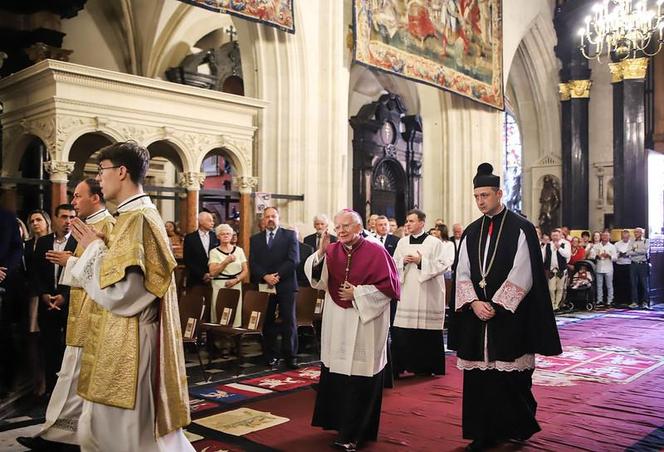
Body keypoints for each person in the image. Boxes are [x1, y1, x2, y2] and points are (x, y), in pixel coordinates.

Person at [67, 141, 192, 451]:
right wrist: (100, 248)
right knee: (105, 428)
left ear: (121, 172)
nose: (100, 179)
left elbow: (126, 295)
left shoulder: (139, 218)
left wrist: (92, 252)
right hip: (120, 337)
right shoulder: (128, 217)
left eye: (102, 171)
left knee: (131, 434)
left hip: (133, 341)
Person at [448, 163, 561, 451]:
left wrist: (496, 304)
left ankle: (515, 426)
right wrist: (473, 302)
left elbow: (523, 272)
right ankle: (481, 433)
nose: (480, 201)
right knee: (479, 380)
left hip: (509, 316)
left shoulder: (521, 227)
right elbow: (462, 271)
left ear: (499, 193)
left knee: (510, 378)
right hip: (477, 316)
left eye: (485, 195)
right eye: (476, 196)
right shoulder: (472, 231)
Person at [19, 179, 116, 450]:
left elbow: (110, 272)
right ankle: (58, 434)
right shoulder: (87, 226)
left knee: (77, 379)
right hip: (80, 311)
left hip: (95, 315)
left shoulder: (108, 225)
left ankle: (69, 436)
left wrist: (70, 262)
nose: (73, 202)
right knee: (69, 378)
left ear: (94, 198)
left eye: (78, 196)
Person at [305, 209, 400, 451]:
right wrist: (320, 252)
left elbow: (390, 289)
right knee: (338, 374)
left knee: (360, 377)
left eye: (346, 226)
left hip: (364, 322)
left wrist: (357, 293)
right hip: (338, 321)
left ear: (358, 228)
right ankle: (340, 426)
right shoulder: (333, 250)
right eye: (338, 227)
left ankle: (355, 433)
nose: (341, 231)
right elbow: (317, 280)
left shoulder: (376, 250)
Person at [392, 209, 450, 377]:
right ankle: (401, 366)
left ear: (422, 223)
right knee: (404, 330)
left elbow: (443, 264)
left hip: (428, 292)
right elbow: (393, 263)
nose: (407, 224)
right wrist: (402, 261)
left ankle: (426, 367)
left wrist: (421, 262)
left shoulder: (434, 242)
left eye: (411, 221)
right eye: (407, 221)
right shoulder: (402, 243)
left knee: (426, 332)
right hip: (407, 291)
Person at [33, 204, 78, 395]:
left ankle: (67, 393)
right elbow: (35, 272)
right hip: (46, 303)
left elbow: (80, 272)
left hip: (69, 304)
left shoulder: (78, 243)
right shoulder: (43, 242)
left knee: (68, 349)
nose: (68, 222)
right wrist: (43, 294)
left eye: (72, 217)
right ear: (56, 218)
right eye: (64, 217)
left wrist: (64, 296)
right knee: (49, 347)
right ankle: (51, 391)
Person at [249, 206, 300, 369]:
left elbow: (294, 260)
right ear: (263, 220)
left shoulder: (289, 235)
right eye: (267, 216)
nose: (270, 219)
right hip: (265, 285)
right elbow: (253, 262)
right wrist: (265, 276)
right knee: (267, 321)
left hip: (285, 284)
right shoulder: (255, 239)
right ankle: (270, 355)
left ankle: (290, 356)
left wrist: (276, 276)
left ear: (278, 218)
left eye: (273, 216)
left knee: (289, 321)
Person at [24, 210, 51, 399]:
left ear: (47, 222)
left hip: (48, 295)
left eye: (39, 220)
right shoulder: (26, 245)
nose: (35, 223)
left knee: (48, 340)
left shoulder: (52, 242)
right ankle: (38, 382)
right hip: (30, 295)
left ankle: (49, 383)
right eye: (32, 221)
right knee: (33, 338)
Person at [0, 206, 23, 398]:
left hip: (3, 284)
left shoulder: (7, 217)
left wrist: (4, 270)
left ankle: (5, 384)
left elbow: (17, 248)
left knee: (3, 336)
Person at [208, 224, 248, 327]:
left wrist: (236, 280)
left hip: (236, 284)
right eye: (222, 234)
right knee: (220, 314)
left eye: (228, 233)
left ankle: (234, 339)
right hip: (220, 285)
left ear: (231, 236)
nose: (225, 236)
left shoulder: (239, 250)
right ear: (218, 236)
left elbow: (245, 270)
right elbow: (213, 272)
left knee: (235, 315)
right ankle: (218, 339)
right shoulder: (214, 252)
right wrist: (226, 261)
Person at [183, 212, 219, 288]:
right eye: (210, 220)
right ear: (201, 222)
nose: (213, 223)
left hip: (214, 278)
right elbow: (187, 260)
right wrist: (202, 275)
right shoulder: (190, 238)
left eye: (213, 221)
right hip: (196, 279)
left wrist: (212, 274)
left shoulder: (216, 237)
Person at [542, 229, 570, 311]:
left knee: (560, 288)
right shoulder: (548, 245)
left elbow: (567, 255)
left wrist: (559, 248)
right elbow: (543, 257)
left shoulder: (565, 243)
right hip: (551, 270)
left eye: (556, 235)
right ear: (551, 236)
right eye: (553, 235)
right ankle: (552, 304)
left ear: (560, 235)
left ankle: (557, 305)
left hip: (561, 270)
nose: (555, 237)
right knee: (551, 288)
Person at [587, 231, 617, 307]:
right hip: (599, 267)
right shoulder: (596, 245)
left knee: (609, 285)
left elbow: (615, 258)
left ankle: (610, 300)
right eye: (603, 236)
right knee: (599, 285)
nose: (605, 237)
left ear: (609, 237)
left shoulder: (612, 246)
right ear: (601, 237)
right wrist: (597, 256)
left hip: (608, 268)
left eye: (607, 236)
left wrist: (609, 256)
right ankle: (599, 300)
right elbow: (591, 256)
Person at [628, 227, 649, 309]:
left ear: (642, 233)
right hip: (633, 264)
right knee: (633, 284)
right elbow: (628, 252)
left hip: (642, 264)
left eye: (638, 232)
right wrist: (638, 251)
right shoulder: (631, 241)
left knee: (644, 284)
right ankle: (634, 302)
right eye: (635, 232)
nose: (636, 234)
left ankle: (645, 302)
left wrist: (635, 250)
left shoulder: (646, 241)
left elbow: (645, 251)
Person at [614, 229, 632, 306]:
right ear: (621, 236)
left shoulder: (632, 244)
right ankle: (619, 300)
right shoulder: (617, 244)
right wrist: (619, 254)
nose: (625, 238)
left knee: (628, 283)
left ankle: (628, 300)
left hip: (629, 264)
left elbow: (634, 253)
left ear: (629, 236)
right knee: (619, 283)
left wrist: (627, 255)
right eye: (623, 237)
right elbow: (614, 254)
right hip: (619, 265)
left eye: (626, 237)